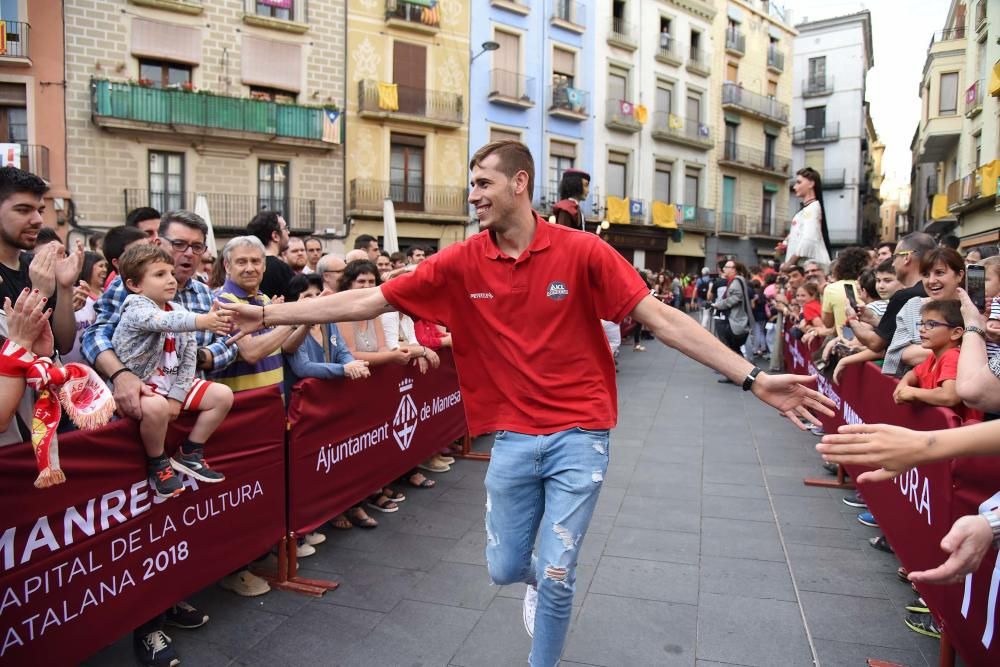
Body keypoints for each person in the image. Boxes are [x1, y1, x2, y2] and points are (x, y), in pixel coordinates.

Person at [221, 140, 833, 667]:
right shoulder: (459, 261)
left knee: (560, 570)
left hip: (581, 434)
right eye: (471, 185)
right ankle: (535, 581)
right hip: (511, 437)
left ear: (521, 183)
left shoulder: (584, 252)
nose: (474, 195)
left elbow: (664, 320)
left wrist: (755, 379)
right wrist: (268, 311)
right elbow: (369, 301)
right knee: (506, 568)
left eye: (483, 183)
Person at [83, 211, 239, 419]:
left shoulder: (204, 293)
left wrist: (198, 358)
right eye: (179, 244)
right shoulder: (127, 287)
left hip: (189, 407)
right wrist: (121, 375)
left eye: (197, 247)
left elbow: (229, 342)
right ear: (158, 243)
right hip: (141, 406)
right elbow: (94, 338)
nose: (189, 253)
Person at [111, 244, 234, 497]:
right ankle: (158, 463)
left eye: (170, 273)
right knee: (156, 407)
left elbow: (189, 356)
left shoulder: (177, 309)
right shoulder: (135, 307)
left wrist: (177, 396)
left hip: (172, 383)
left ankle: (190, 452)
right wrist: (202, 321)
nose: (170, 279)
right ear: (134, 285)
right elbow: (161, 322)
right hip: (143, 385)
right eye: (159, 275)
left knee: (222, 395)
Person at [0, 167, 80, 356]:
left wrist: (65, 287)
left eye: (40, 211)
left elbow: (62, 345)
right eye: (23, 210)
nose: (37, 220)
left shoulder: (37, 266)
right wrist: (40, 292)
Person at [844, 232, 938, 355]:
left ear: (906, 258)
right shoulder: (939, 291)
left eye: (894, 257)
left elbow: (876, 343)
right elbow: (899, 331)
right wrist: (873, 319)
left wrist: (852, 319)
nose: (893, 264)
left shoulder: (904, 297)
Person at [891, 299, 981, 421]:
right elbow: (913, 374)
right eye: (922, 323)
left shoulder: (952, 356)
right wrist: (902, 386)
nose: (922, 329)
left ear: (956, 333)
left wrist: (913, 392)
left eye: (931, 324)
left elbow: (950, 396)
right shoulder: (934, 356)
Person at [781, 167, 832, 270]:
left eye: (799, 182)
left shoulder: (812, 208)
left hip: (808, 267)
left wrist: (789, 263)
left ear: (811, 183)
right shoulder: (806, 210)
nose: (795, 187)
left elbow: (808, 239)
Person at [712, 259, 753, 368]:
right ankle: (736, 374)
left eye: (726, 267)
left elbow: (736, 297)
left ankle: (743, 372)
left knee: (734, 349)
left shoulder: (735, 281)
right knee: (734, 349)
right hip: (736, 320)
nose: (724, 269)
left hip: (735, 320)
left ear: (733, 269)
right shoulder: (736, 280)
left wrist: (719, 305)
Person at [247, 210, 293, 301]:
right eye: (286, 228)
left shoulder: (245, 268)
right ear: (275, 236)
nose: (289, 233)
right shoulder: (282, 269)